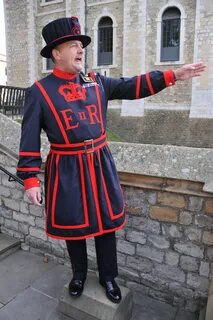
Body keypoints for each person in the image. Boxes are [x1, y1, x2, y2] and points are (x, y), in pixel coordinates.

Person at [17, 16, 206, 304]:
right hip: (66, 167)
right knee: (74, 226)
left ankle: (108, 277)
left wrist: (172, 76)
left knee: (105, 224)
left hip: (99, 163)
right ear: (56, 53)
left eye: (81, 45)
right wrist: (30, 178)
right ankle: (78, 274)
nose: (81, 50)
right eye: (73, 45)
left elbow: (132, 86)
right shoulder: (39, 92)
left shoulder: (97, 82)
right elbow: (28, 138)